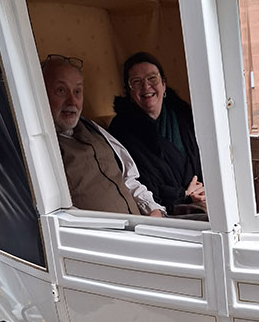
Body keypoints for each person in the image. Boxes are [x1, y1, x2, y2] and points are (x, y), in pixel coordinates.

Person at [43, 55, 165, 217]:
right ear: (41, 94)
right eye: (61, 90)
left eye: (77, 91)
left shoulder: (94, 129)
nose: (72, 101)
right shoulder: (41, 147)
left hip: (144, 226)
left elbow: (129, 180)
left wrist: (153, 211)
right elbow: (60, 215)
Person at [107, 52, 205, 213]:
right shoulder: (121, 129)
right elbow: (136, 180)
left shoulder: (184, 115)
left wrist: (200, 190)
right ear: (129, 92)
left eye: (152, 78)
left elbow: (204, 156)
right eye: (136, 82)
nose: (146, 87)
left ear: (164, 84)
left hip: (203, 195)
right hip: (161, 210)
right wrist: (185, 194)